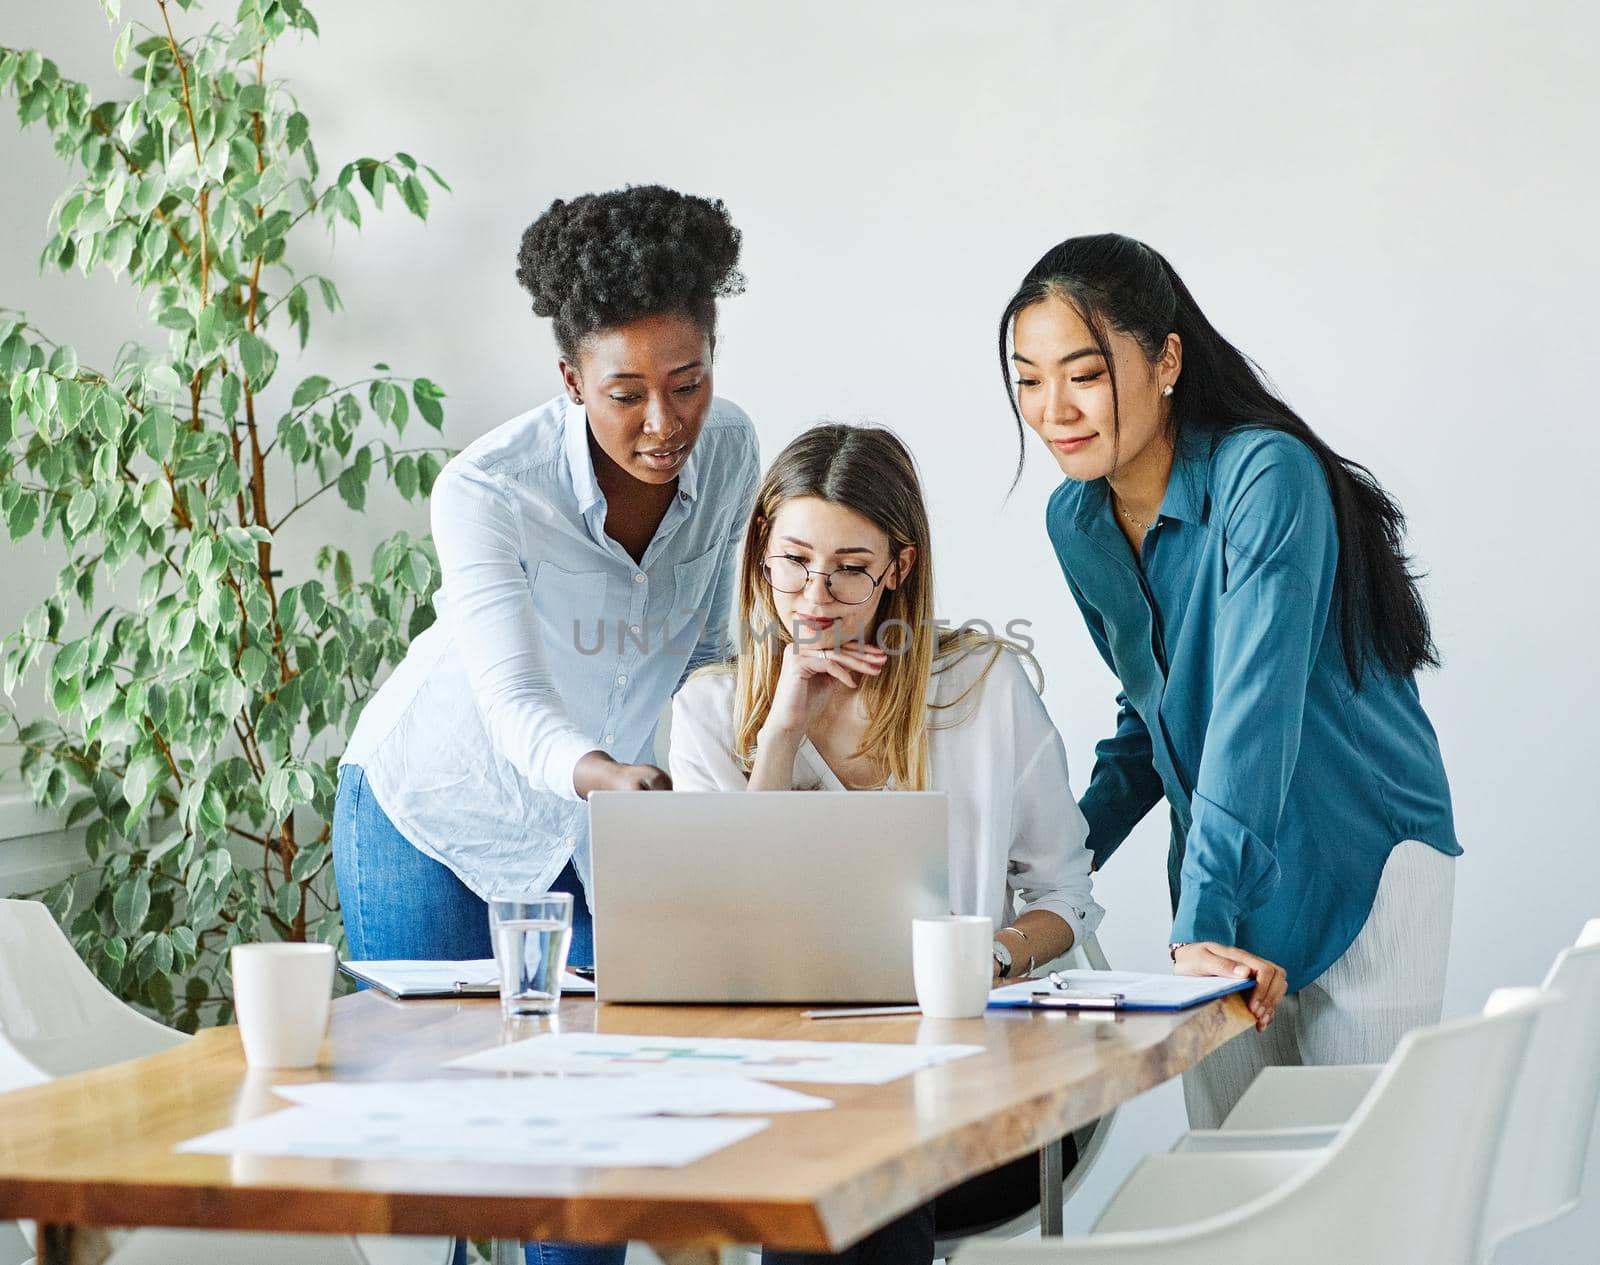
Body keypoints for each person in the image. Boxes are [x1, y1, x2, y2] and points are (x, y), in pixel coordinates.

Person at [333, 185, 758, 1265]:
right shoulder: (486, 487)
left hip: (599, 828)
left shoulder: (735, 450)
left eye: (687, 383)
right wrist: (602, 772)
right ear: (570, 381)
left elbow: (706, 648)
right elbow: (513, 703)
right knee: (443, 1169)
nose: (663, 425)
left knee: (592, 1175)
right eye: (624, 395)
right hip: (433, 818)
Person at [998, 232, 1460, 1129]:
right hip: (1222, 868)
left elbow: (1253, 710)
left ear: (1166, 359)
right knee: (1234, 1175)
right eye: (1027, 377)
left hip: (1359, 851)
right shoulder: (1076, 519)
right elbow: (1152, 720)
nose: (1053, 408)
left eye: (1084, 373)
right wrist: (1043, 867)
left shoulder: (1265, 475)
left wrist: (1195, 928)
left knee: (1361, 1188)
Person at [669, 423, 1103, 1264]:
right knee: (832, 1155)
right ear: (761, 550)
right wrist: (782, 732)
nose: (814, 596)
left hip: (966, 1094)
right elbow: (735, 918)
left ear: (899, 568)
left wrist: (996, 954)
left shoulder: (982, 688)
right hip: (781, 1081)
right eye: (793, 560)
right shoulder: (710, 714)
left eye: (850, 568)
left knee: (856, 1164)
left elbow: (1066, 896)